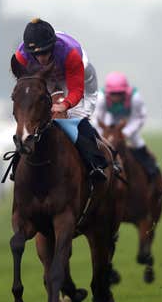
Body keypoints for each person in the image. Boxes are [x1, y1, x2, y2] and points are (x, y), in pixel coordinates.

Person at [11, 18, 107, 181]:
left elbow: (76, 91)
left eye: (45, 52)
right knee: (34, 117)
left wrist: (65, 105)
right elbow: (23, 85)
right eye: (36, 54)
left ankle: (95, 163)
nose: (41, 58)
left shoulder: (71, 54)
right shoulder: (21, 57)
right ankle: (17, 164)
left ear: (53, 46)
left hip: (77, 80)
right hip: (45, 78)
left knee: (73, 119)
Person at [94, 71, 158, 179]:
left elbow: (139, 117)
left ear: (125, 92)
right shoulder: (101, 97)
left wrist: (125, 132)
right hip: (110, 119)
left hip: (128, 120)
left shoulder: (135, 97)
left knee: (137, 142)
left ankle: (151, 169)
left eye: (120, 93)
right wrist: (103, 134)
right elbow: (98, 119)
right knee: (99, 142)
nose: (117, 97)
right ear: (108, 93)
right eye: (113, 94)